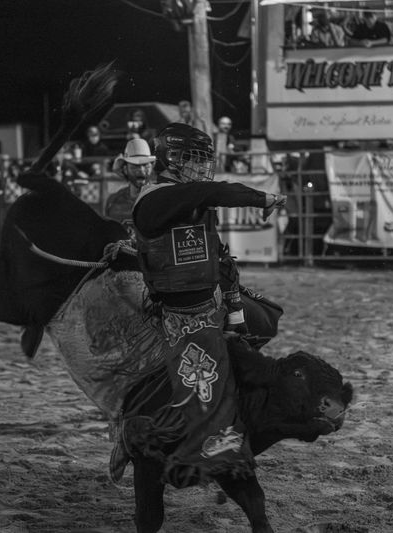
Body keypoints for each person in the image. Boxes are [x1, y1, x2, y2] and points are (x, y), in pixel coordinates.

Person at [111, 123, 286, 485]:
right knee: (199, 393)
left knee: (265, 321)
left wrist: (236, 313)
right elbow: (209, 191)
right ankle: (134, 436)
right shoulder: (156, 198)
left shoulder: (191, 199)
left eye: (204, 159)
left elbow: (220, 258)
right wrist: (260, 197)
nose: (200, 165)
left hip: (210, 300)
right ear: (170, 159)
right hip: (176, 311)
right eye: (194, 158)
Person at [104, 138, 156, 238]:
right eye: (135, 166)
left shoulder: (160, 199)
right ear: (125, 169)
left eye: (145, 165)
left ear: (152, 166)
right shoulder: (113, 201)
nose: (141, 170)